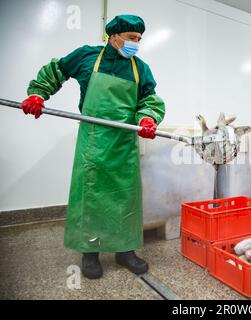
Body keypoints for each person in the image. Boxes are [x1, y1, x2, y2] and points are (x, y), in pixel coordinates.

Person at [21, 15, 166, 278]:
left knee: (125, 198)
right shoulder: (87, 57)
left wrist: (147, 117)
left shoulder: (140, 68)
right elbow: (56, 71)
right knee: (91, 197)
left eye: (139, 40)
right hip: (93, 142)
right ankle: (90, 253)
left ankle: (125, 252)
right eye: (132, 38)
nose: (136, 44)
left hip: (123, 144)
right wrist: (38, 93)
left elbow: (150, 99)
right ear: (113, 36)